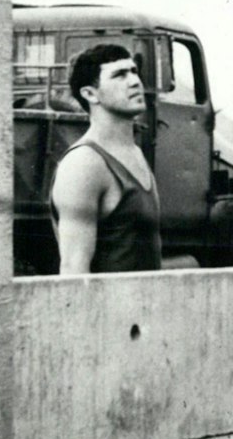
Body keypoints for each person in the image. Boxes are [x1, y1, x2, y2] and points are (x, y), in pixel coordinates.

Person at [49, 43, 161, 274]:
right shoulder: (84, 164)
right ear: (90, 94)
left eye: (134, 71)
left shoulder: (135, 152)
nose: (134, 82)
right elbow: (73, 271)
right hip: (107, 310)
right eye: (119, 75)